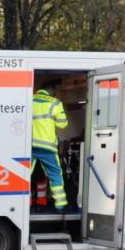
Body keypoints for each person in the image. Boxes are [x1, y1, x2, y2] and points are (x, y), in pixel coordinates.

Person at [31, 81, 74, 213]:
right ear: (51, 91)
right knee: (55, 174)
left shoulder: (28, 99)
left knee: (23, 175)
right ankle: (61, 206)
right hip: (47, 147)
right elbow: (62, 124)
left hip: (29, 146)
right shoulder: (55, 103)